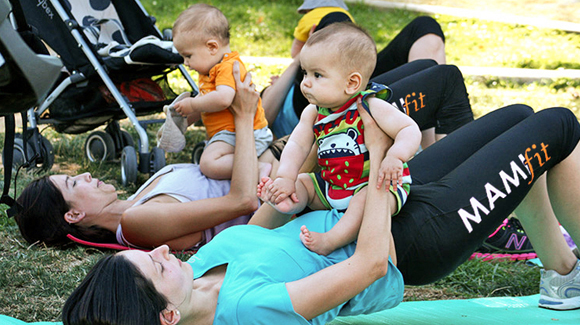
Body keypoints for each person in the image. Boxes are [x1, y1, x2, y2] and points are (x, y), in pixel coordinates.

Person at [61, 100, 580, 324]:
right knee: (558, 125)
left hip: (379, 201)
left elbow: (262, 225)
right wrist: (377, 158)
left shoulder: (194, 274)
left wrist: (292, 186)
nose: (158, 251)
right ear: (168, 317)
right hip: (416, 239)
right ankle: (567, 271)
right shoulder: (249, 311)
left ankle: (562, 273)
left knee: (518, 118)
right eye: (154, 265)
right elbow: (368, 267)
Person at [13, 61, 280, 251]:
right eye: (73, 183)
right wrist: (243, 117)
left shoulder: (137, 200)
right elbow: (243, 201)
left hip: (272, 163)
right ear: (74, 215)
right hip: (279, 194)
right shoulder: (135, 223)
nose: (85, 175)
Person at [259, 22, 421, 255]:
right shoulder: (314, 112)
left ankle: (332, 240)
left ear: (352, 83)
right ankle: (288, 201)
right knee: (304, 182)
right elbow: (297, 144)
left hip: (376, 186)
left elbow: (409, 129)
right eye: (305, 73)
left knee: (363, 201)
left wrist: (396, 156)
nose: (305, 82)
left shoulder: (370, 106)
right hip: (333, 185)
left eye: (317, 75)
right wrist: (285, 177)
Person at [263, 0, 451, 149]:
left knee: (425, 25)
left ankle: (430, 143)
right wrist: (303, 58)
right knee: (334, 17)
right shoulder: (284, 88)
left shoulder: (349, 79)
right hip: (331, 110)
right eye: (306, 73)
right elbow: (262, 120)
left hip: (357, 91)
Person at [171, 3, 273, 180]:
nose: (186, 63)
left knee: (209, 163)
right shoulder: (210, 70)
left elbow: (223, 99)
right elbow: (208, 104)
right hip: (229, 134)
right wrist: (186, 118)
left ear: (212, 47)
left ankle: (258, 168)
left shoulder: (227, 67)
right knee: (210, 156)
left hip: (245, 133)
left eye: (188, 56)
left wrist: (193, 103)